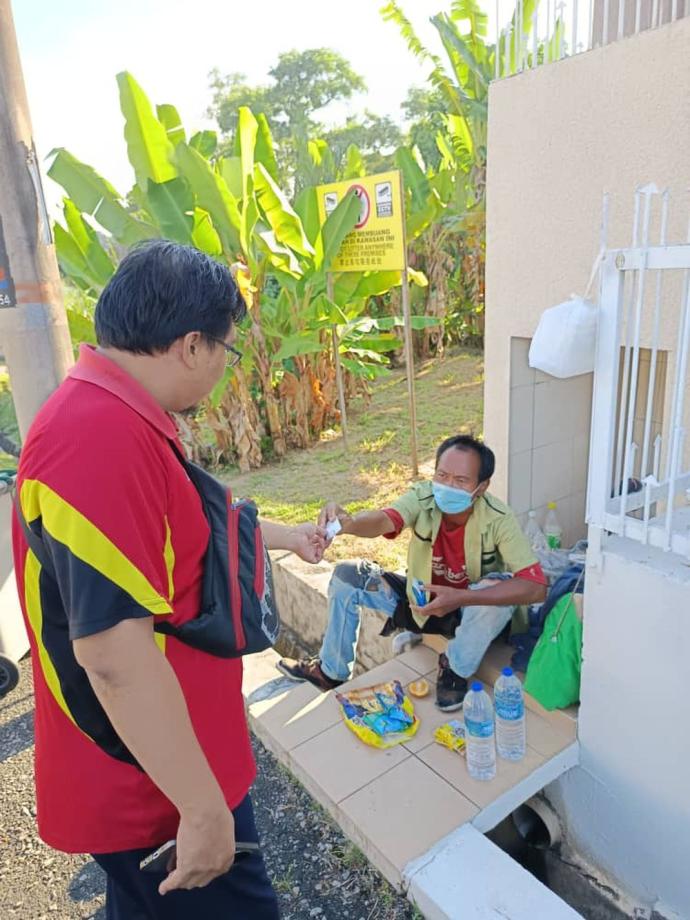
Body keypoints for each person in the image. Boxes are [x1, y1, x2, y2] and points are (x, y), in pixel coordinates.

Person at [12, 240, 326, 919]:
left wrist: (286, 537)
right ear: (192, 345)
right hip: (154, 789)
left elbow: (191, 538)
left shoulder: (115, 416)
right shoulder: (96, 438)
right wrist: (202, 809)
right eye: (226, 350)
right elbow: (115, 658)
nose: (222, 369)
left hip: (169, 765)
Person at [278, 435, 547, 711]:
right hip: (421, 602)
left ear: (481, 487)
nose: (448, 486)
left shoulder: (498, 519)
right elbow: (385, 520)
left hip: (468, 610)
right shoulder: (423, 496)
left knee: (497, 587)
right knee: (348, 577)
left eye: (461, 480)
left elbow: (536, 586)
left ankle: (454, 668)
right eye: (442, 475)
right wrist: (349, 523)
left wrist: (460, 596)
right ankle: (330, 672)